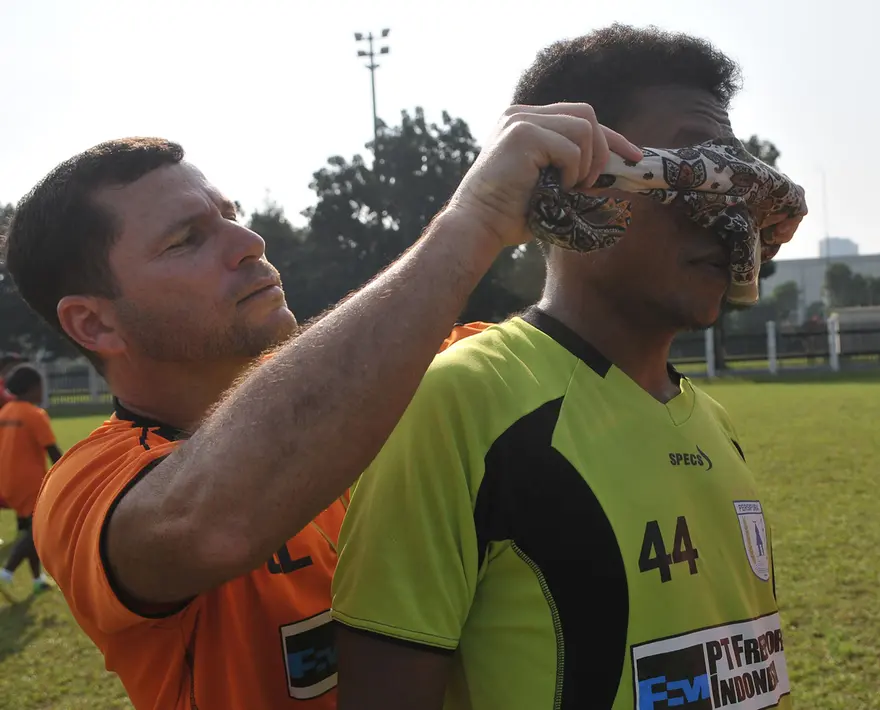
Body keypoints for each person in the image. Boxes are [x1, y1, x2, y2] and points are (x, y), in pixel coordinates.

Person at [2, 103, 641, 708]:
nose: (248, 240)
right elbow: (214, 524)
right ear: (94, 324)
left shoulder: (393, 373)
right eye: (186, 240)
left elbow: (595, 334)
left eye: (233, 214)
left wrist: (649, 201)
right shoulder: (83, 488)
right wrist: (472, 220)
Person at [331, 25, 801, 710]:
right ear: (574, 184)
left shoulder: (712, 421)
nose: (728, 224)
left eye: (737, 192)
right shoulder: (459, 403)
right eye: (691, 180)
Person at [0, 365, 61, 593]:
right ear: (32, 387)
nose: (43, 391)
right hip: (30, 482)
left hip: (8, 482)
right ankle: (6, 572)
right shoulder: (35, 415)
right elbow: (53, 452)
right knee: (39, 530)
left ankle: (37, 580)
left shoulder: (4, 412)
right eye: (41, 386)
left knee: (29, 529)